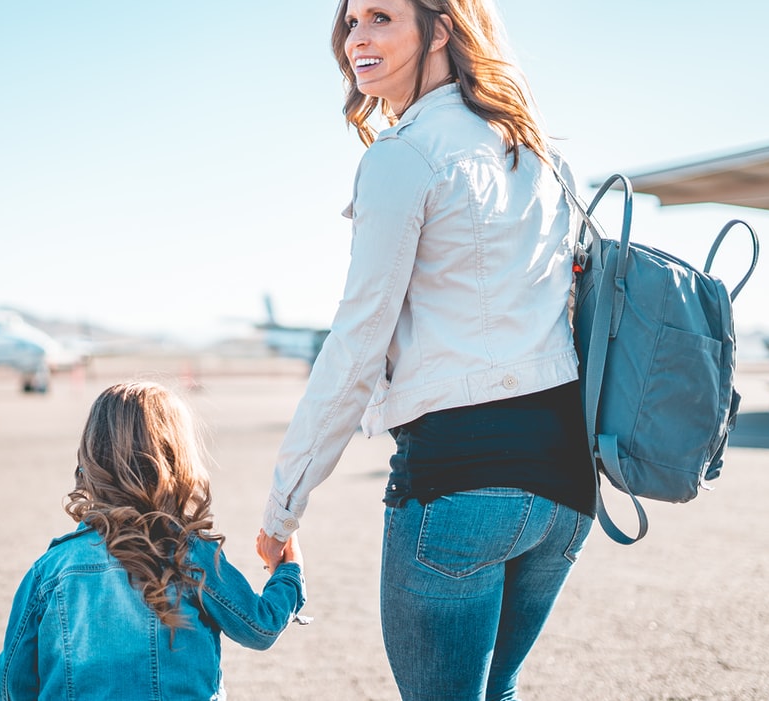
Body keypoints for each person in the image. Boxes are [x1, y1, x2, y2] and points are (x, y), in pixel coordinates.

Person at [255, 1, 595, 699]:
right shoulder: (541, 154)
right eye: (351, 22)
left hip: (461, 484)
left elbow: (357, 344)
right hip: (566, 487)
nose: (357, 38)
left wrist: (282, 507)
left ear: (440, 29)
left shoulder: (403, 156)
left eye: (381, 17)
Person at [0, 381, 305, 701]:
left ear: (91, 458)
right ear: (176, 460)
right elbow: (261, 627)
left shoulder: (52, 569)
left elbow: (13, 681)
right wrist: (288, 569)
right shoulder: (191, 555)